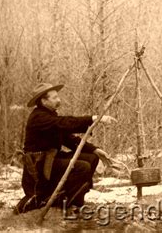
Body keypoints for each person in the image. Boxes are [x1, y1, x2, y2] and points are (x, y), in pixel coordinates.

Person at [14, 83, 116, 214]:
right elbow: (64, 123)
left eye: (58, 96)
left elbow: (68, 139)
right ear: (43, 101)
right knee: (82, 167)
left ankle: (76, 202)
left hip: (51, 161)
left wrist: (94, 149)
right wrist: (93, 118)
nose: (59, 100)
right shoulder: (39, 117)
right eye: (54, 98)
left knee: (91, 158)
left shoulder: (50, 115)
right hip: (39, 166)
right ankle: (62, 202)